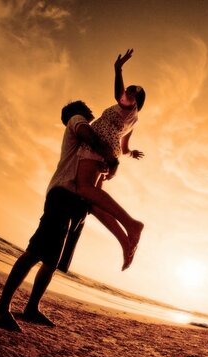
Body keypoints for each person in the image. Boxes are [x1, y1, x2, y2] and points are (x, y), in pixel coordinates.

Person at [0, 100, 117, 332]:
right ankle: (2, 306)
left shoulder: (86, 148)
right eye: (86, 108)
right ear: (77, 112)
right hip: (63, 194)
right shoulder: (76, 120)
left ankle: (31, 308)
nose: (91, 111)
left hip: (78, 202)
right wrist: (111, 157)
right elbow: (89, 135)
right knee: (35, 252)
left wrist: (102, 169)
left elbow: (93, 172)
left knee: (52, 261)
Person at [73, 48, 145, 271]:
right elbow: (123, 147)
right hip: (109, 149)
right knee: (94, 204)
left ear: (136, 99)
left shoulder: (127, 107)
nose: (128, 92)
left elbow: (117, 94)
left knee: (84, 188)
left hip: (100, 145)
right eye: (129, 89)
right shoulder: (131, 119)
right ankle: (125, 243)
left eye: (133, 91)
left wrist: (118, 68)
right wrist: (131, 153)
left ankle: (132, 225)